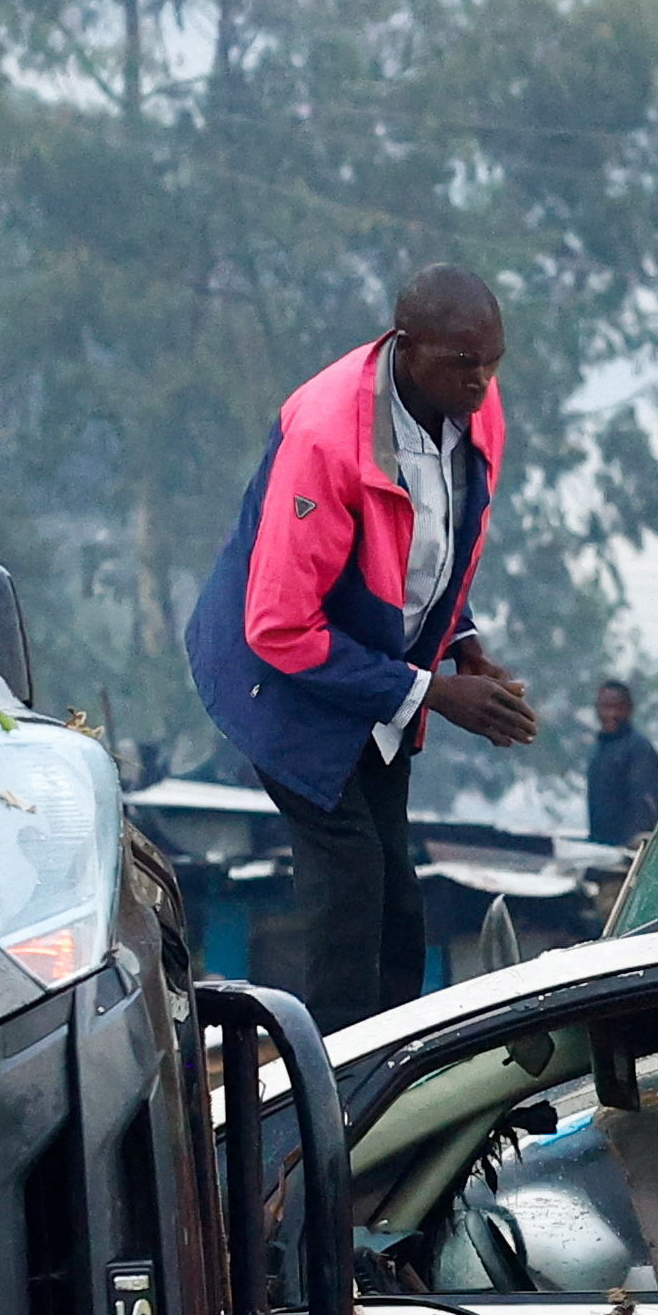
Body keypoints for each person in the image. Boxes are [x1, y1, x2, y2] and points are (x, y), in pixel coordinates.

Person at [184, 261, 542, 1028]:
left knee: (398, 908)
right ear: (407, 348)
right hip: (282, 679)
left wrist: (461, 643)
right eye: (463, 364)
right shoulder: (325, 440)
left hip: (375, 673)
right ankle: (336, 1096)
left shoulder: (477, 409)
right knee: (350, 895)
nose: (483, 383)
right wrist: (433, 695)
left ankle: (394, 1070)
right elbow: (278, 626)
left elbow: (434, 542)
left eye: (493, 363)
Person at [583, 679, 658, 849]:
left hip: (626, 855)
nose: (610, 714)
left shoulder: (639, 750)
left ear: (629, 709)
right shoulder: (600, 749)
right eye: (605, 707)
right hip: (600, 850)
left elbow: (645, 808)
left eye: (617, 707)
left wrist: (632, 850)